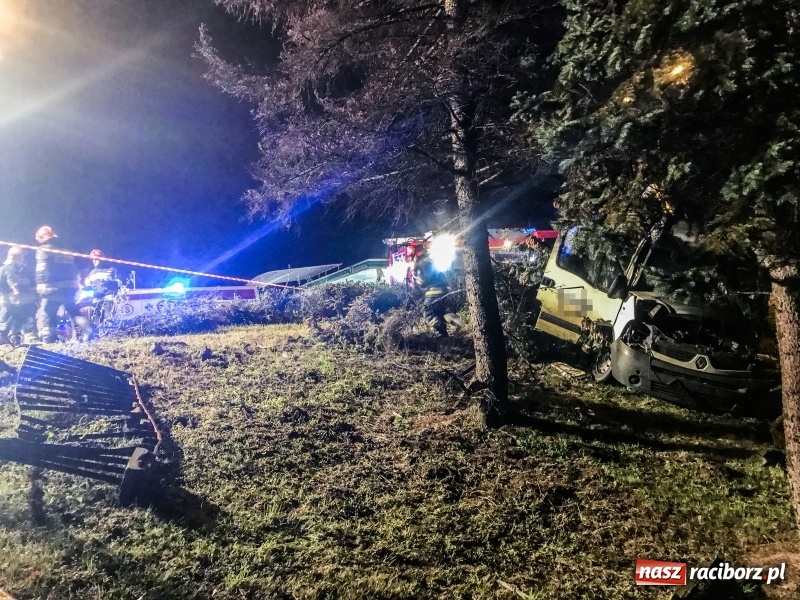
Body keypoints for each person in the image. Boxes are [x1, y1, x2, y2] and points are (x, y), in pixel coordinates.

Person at [34, 226, 93, 342]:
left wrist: (39, 285)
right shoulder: (66, 249)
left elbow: (42, 270)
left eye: (39, 238)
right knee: (73, 311)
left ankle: (49, 339)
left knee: (48, 312)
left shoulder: (44, 249)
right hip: (69, 287)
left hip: (52, 287)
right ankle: (89, 330)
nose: (38, 241)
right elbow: (72, 267)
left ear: (44, 236)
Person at [409, 242, 451, 337]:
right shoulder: (430, 259)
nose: (411, 258)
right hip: (442, 289)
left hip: (433, 291)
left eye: (411, 255)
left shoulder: (421, 263)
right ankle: (444, 336)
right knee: (438, 313)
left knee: (429, 314)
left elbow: (424, 281)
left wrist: (414, 283)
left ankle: (440, 335)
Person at [0, 246, 38, 345]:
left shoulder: (24, 270)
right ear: (13, 256)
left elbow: (31, 284)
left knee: (27, 324)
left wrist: (35, 297)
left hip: (25, 304)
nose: (22, 259)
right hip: (10, 304)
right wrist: (16, 292)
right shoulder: (6, 268)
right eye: (20, 256)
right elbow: (11, 282)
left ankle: (29, 344)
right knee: (4, 325)